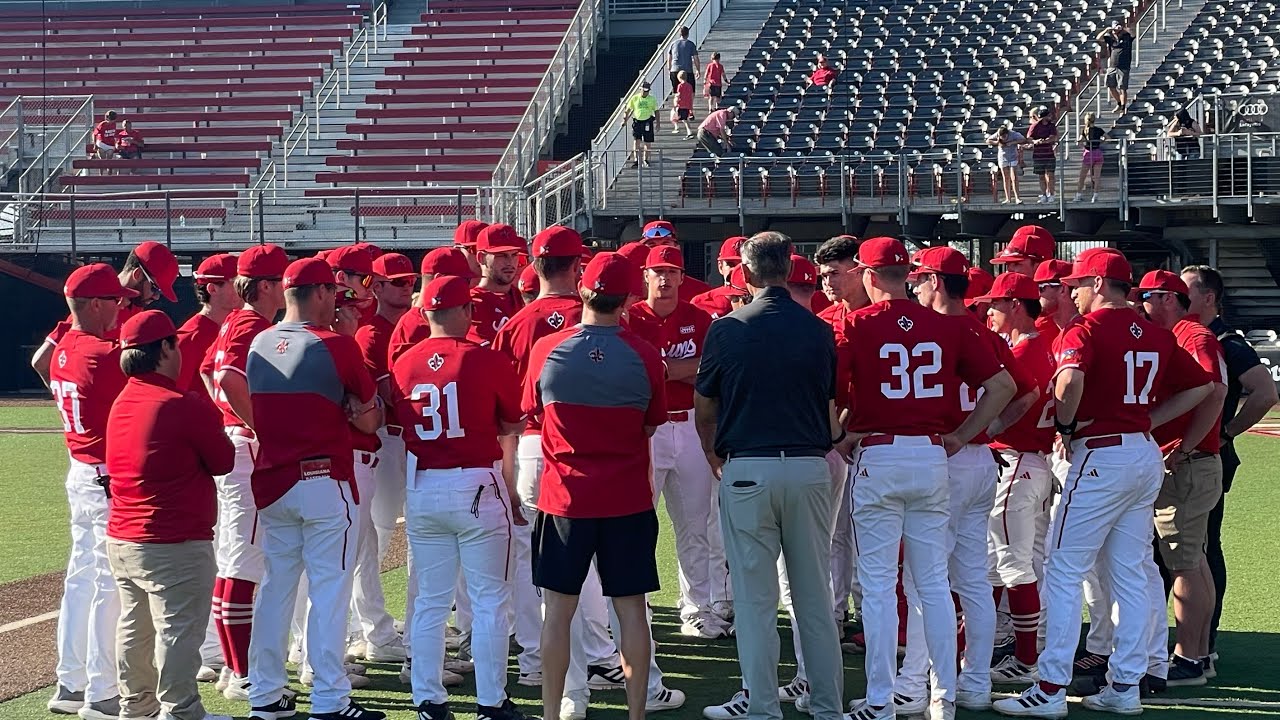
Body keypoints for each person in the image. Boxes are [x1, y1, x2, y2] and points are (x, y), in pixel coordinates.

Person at [994, 249, 1217, 719]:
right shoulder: (1155, 334)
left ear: (1098, 284)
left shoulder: (1087, 328)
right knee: (1131, 573)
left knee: (1063, 567)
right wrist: (1149, 419)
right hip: (1138, 451)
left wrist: (1069, 428)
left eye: (1078, 282)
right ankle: (1126, 683)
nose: (1072, 290)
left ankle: (1051, 688)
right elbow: (1201, 387)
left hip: (1103, 453)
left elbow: (1070, 379)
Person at [840, 238, 1015, 720]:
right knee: (936, 584)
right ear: (907, 275)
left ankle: (882, 699)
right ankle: (945, 697)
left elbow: (833, 399)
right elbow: (1002, 386)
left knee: (878, 587)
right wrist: (962, 435)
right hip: (934, 456)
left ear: (870, 275)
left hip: (880, 453)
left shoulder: (855, 322)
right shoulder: (946, 326)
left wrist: (841, 436)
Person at [692, 232, 853, 720]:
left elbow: (704, 410)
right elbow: (831, 410)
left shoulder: (726, 329)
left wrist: (716, 459)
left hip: (748, 467)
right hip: (807, 467)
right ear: (787, 269)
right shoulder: (817, 329)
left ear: (744, 272)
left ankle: (762, 707)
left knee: (756, 600)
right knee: (814, 598)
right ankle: (826, 706)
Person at [524, 252, 668, 720]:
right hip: (625, 498)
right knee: (630, 610)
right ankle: (636, 713)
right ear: (628, 298)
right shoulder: (644, 353)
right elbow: (650, 425)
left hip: (566, 498)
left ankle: (550, 712)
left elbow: (534, 413)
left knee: (559, 612)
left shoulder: (548, 348)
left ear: (582, 290)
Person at [244, 257, 384, 720]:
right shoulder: (336, 345)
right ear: (321, 293)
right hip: (323, 479)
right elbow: (369, 416)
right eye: (332, 294)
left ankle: (264, 692)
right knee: (328, 590)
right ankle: (329, 698)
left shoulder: (259, 341)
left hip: (274, 480)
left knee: (276, 587)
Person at [895, 247, 1030, 716]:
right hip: (978, 462)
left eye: (919, 278)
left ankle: (915, 685)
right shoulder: (982, 330)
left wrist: (964, 432)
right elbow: (1022, 391)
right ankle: (973, 682)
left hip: (945, 456)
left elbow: (1017, 391)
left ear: (935, 280)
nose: (913, 286)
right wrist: (984, 431)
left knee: (923, 581)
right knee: (972, 579)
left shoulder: (936, 329)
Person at [390, 275, 529, 720]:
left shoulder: (403, 362)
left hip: (424, 484)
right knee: (489, 600)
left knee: (431, 600)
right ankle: (491, 700)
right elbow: (512, 423)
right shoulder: (483, 359)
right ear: (465, 312)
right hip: (476, 483)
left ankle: (427, 699)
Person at [105, 310, 235, 720]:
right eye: (175, 344)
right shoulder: (181, 403)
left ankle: (136, 706)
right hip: (172, 538)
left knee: (135, 628)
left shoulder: (123, 398)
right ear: (163, 348)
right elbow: (224, 459)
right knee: (178, 631)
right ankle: (180, 711)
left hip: (124, 535)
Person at [45, 264, 135, 720]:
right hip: (104, 476)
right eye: (116, 300)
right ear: (96, 304)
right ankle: (101, 690)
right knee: (106, 584)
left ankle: (71, 681)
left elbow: (41, 362)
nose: (122, 306)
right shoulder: (103, 353)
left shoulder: (65, 345)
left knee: (81, 579)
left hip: (80, 469)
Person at [1180, 265, 1278, 671]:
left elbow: (1264, 392)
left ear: (1209, 297)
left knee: (1201, 549)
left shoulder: (1224, 341)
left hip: (1208, 455)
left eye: (1186, 292)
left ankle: (1204, 642)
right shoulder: (1185, 334)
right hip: (1190, 454)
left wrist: (1227, 432)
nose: (1176, 299)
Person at [1138, 270, 1228, 686]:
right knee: (1193, 561)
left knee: (1183, 564)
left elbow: (1214, 390)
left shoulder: (1192, 335)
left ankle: (1188, 657)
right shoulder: (1190, 334)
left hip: (1189, 464)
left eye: (1147, 296)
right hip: (1194, 461)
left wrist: (1187, 445)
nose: (1141, 302)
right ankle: (1199, 652)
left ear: (1168, 299)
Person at [628, 246, 724, 638]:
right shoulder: (631, 318)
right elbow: (635, 373)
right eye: (657, 271)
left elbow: (709, 373)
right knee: (637, 524)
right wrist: (678, 370)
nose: (665, 279)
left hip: (689, 425)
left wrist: (663, 369)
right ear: (645, 277)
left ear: (684, 278)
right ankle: (637, 605)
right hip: (644, 430)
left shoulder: (700, 319)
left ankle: (696, 608)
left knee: (694, 524)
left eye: (672, 271)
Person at [207, 243, 289, 701]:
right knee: (243, 563)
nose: (284, 289)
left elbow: (207, 369)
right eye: (279, 280)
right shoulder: (252, 324)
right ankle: (241, 673)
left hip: (236, 444)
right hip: (247, 450)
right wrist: (257, 426)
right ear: (264, 286)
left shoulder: (236, 321)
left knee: (236, 560)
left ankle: (232, 667)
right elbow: (226, 377)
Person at [977, 273, 1058, 685]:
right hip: (1033, 461)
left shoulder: (1026, 350)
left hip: (1017, 461)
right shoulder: (1041, 345)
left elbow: (1020, 398)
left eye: (995, 303)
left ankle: (1026, 660)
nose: (988, 311)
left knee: (1012, 565)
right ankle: (999, 648)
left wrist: (985, 430)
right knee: (1004, 564)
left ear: (1013, 304)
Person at [32, 241, 179, 386]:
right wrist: (71, 400)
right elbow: (41, 361)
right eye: (155, 289)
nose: (156, 297)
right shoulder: (98, 307)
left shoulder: (134, 309)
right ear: (138, 274)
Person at [388, 246, 478, 366]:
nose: (468, 286)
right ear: (440, 280)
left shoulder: (453, 315)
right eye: (463, 281)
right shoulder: (413, 327)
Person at [177, 254, 238, 397]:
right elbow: (175, 395)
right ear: (213, 289)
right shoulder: (189, 336)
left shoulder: (239, 326)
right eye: (237, 282)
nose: (244, 287)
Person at [991, 225, 1060, 340]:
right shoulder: (1000, 304)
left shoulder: (1058, 306)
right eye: (1007, 265)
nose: (1009, 271)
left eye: (1017, 264)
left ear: (1039, 266)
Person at [470, 223, 527, 345]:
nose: (510, 262)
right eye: (501, 255)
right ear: (481, 258)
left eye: (514, 254)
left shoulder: (522, 298)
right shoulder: (469, 303)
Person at [690, 236, 747, 319]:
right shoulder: (701, 302)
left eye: (742, 265)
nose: (736, 270)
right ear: (720, 267)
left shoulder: (762, 302)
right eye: (731, 264)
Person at [1099, 21, 1133, 112]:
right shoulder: (1111, 38)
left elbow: (1133, 33)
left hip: (1123, 66)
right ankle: (1119, 103)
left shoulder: (1126, 37)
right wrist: (1106, 30)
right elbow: (1099, 38)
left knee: (1122, 88)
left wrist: (1124, 29)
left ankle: (1123, 107)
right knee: (1110, 85)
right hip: (1112, 66)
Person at [988, 125, 1027, 204]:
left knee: (1014, 177)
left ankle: (1017, 198)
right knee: (1006, 178)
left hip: (1013, 156)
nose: (1003, 138)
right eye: (1001, 136)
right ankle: (1008, 198)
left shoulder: (1013, 134)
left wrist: (1012, 142)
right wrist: (997, 143)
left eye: (1004, 136)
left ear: (1007, 134)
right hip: (1003, 157)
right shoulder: (998, 134)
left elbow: (1023, 139)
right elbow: (988, 140)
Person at [624, 82, 658, 168]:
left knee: (647, 141)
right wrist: (624, 119)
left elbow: (656, 111)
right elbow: (628, 109)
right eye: (644, 91)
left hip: (647, 121)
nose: (645, 93)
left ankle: (645, 159)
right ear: (640, 89)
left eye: (647, 91)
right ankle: (636, 160)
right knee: (637, 141)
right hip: (637, 122)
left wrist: (658, 123)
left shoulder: (652, 99)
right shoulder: (635, 98)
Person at [1027, 107, 1058, 203]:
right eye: (1048, 115)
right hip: (1038, 154)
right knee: (1041, 176)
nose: (1050, 117)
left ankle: (1051, 194)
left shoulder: (1051, 126)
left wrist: (1046, 140)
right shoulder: (1035, 126)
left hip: (1049, 154)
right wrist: (1036, 141)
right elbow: (1029, 138)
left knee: (1051, 175)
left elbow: (1054, 137)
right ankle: (1044, 194)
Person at [1075, 112, 1105, 202]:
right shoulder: (1099, 130)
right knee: (1097, 177)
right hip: (1097, 152)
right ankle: (1095, 195)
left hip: (1089, 153)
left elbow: (1080, 141)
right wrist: (1100, 142)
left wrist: (1082, 145)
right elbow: (1107, 137)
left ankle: (1078, 195)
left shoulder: (1085, 130)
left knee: (1082, 176)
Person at [669, 26, 700, 97]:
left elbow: (669, 58)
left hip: (675, 70)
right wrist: (698, 70)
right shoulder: (691, 44)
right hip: (687, 70)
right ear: (688, 34)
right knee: (691, 92)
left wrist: (669, 69)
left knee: (677, 92)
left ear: (680, 34)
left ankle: (676, 106)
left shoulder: (673, 44)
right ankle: (689, 106)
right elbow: (695, 58)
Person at [673, 71, 695, 139]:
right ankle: (686, 130)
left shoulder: (680, 86)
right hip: (687, 105)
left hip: (681, 104)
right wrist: (691, 107)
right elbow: (691, 96)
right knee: (684, 119)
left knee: (677, 117)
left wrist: (675, 102)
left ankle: (679, 128)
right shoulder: (689, 86)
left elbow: (679, 94)